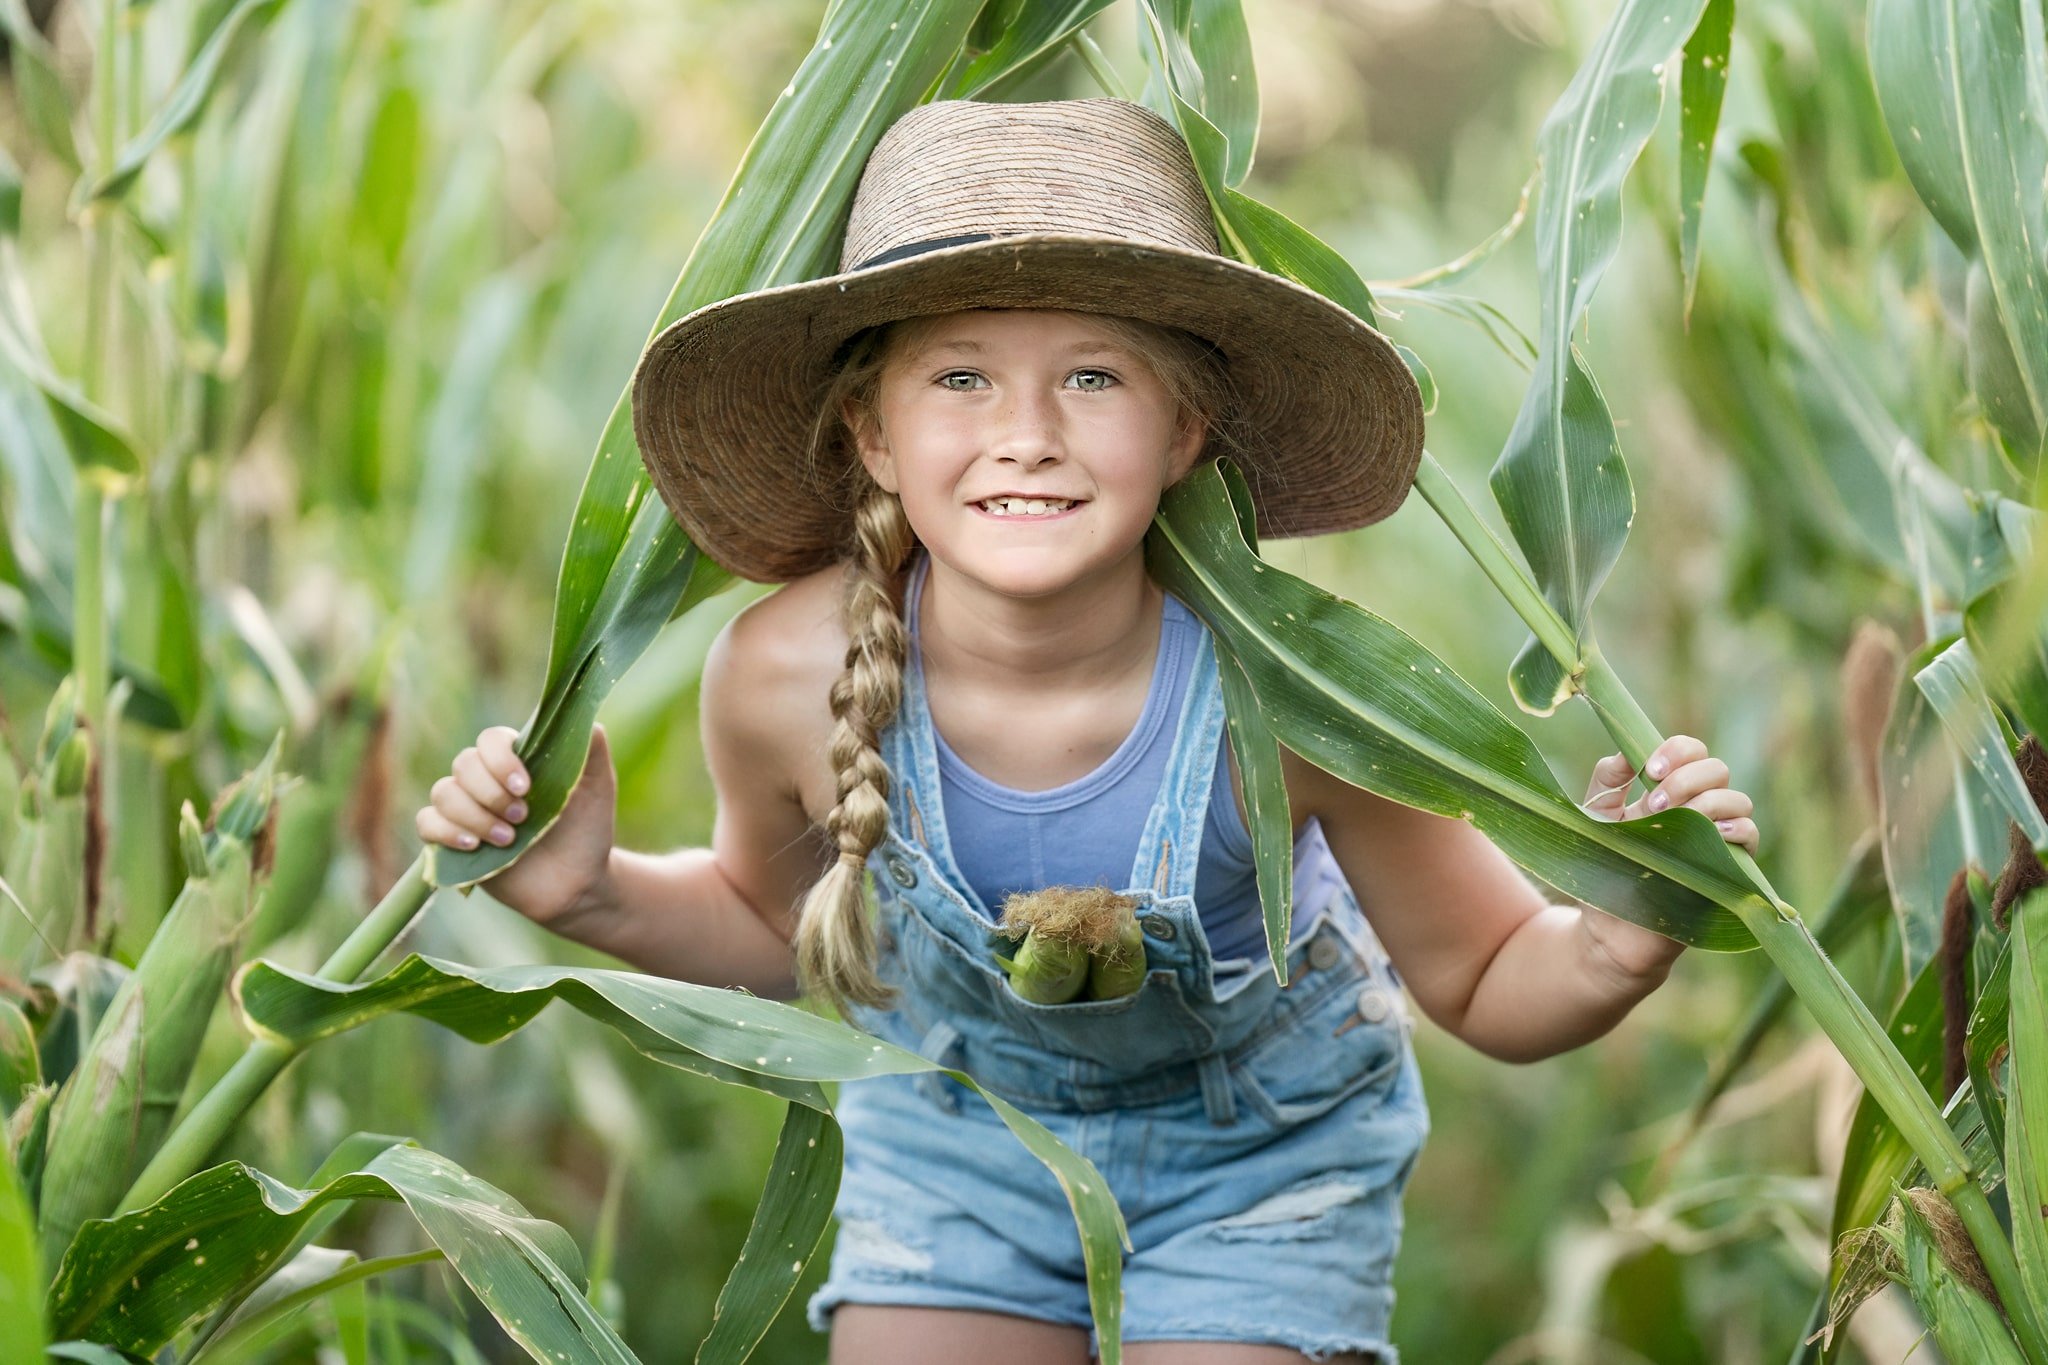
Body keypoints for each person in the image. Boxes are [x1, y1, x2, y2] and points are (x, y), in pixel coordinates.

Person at [416, 97, 1760, 1365]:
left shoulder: (1298, 692)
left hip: (1263, 1161)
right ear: (872, 434)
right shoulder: (786, 671)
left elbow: (1484, 975)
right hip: (959, 1138)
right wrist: (586, 890)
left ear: (1184, 429)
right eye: (959, 378)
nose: (1029, 436)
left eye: (1095, 377)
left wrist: (1617, 935)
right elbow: (780, 929)